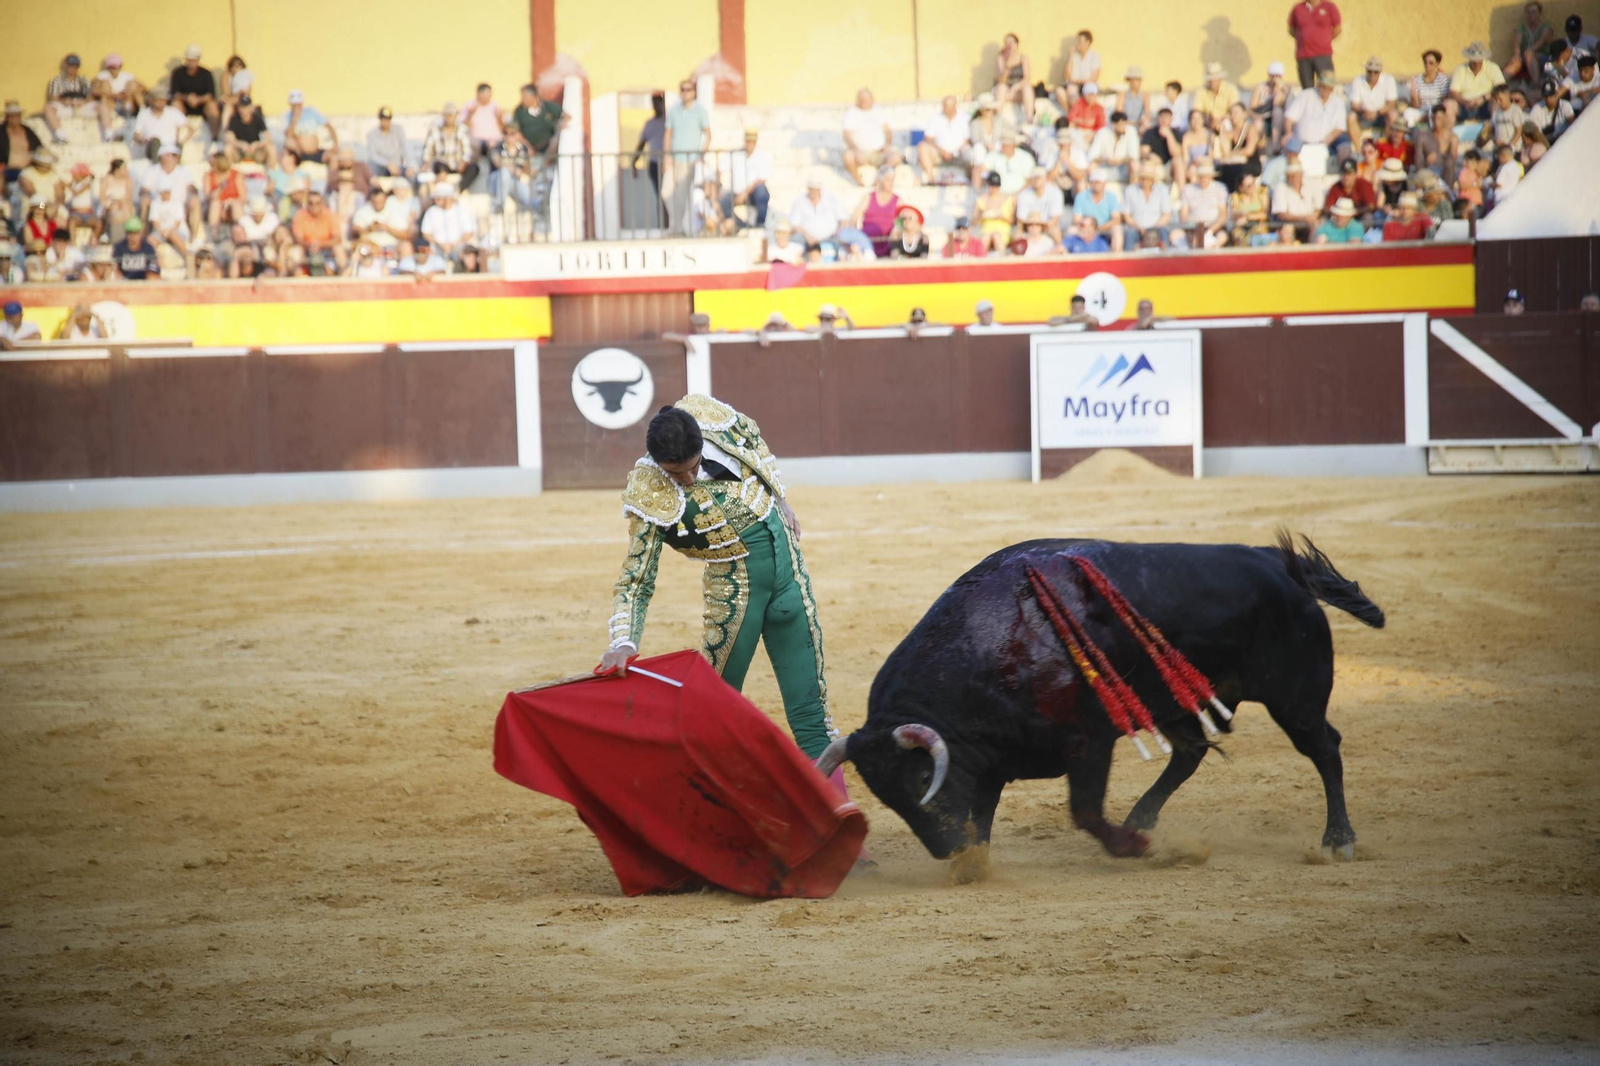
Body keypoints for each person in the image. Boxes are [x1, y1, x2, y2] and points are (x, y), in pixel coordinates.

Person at [599, 398, 861, 849]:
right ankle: (711, 839)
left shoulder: (713, 419)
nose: (684, 480)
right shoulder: (647, 488)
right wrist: (623, 640)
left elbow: (757, 446)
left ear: (704, 445)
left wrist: (780, 500)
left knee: (812, 715)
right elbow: (636, 578)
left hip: (790, 577)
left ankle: (841, 840)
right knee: (712, 721)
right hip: (734, 595)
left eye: (691, 468)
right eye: (673, 473)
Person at [665, 80, 711, 234]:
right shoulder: (673, 111)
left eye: (689, 90)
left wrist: (700, 155)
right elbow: (668, 134)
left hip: (689, 162)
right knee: (666, 193)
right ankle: (678, 227)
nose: (685, 93)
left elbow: (708, 135)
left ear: (694, 92)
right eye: (683, 90)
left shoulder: (700, 111)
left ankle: (676, 229)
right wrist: (667, 157)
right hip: (673, 160)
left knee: (680, 197)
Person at [841, 88, 900, 184]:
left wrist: (887, 144)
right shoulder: (851, 113)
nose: (865, 102)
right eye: (862, 99)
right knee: (847, 156)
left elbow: (888, 131)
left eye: (867, 99)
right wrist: (855, 149)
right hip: (860, 153)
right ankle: (859, 182)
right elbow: (847, 135)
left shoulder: (877, 111)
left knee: (896, 156)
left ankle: (878, 181)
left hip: (879, 152)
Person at [422, 102, 478, 193]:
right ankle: (440, 187)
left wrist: (464, 162)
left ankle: (458, 189)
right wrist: (426, 162)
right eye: (446, 115)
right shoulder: (434, 130)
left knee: (475, 168)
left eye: (451, 115)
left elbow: (467, 151)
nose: (448, 118)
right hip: (442, 164)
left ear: (456, 116)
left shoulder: (462, 130)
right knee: (438, 164)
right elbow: (428, 149)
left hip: (458, 165)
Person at [723, 129, 772, 230]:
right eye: (748, 141)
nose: (749, 144)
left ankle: (760, 223)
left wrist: (745, 193)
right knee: (723, 201)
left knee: (762, 192)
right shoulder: (735, 153)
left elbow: (761, 179)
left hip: (752, 192)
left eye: (752, 142)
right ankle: (738, 225)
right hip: (736, 192)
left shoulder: (762, 155)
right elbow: (720, 168)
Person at [1287, 0, 1341, 89]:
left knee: (1326, 86)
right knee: (1307, 89)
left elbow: (1337, 28)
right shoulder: (1298, 8)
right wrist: (1303, 38)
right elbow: (1291, 29)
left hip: (1323, 55)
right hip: (1303, 56)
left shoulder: (1329, 7)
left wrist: (1325, 39)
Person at [170, 44, 220, 139]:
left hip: (202, 105)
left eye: (193, 60)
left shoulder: (206, 74)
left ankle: (215, 137)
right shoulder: (177, 73)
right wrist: (187, 98)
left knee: (212, 106)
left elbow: (210, 95)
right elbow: (175, 93)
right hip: (184, 105)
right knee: (175, 104)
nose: (191, 63)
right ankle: (175, 137)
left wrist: (198, 100)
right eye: (189, 60)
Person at [918, 96, 973, 183]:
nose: (944, 108)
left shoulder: (965, 118)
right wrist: (942, 151)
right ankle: (930, 179)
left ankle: (970, 181)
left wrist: (955, 152)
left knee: (971, 153)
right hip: (939, 154)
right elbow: (927, 139)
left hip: (959, 153)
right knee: (922, 146)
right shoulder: (935, 118)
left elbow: (968, 141)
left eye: (947, 106)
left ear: (955, 106)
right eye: (944, 106)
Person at [91, 54, 144, 142]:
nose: (113, 70)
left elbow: (142, 88)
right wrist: (111, 95)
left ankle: (143, 112)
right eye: (111, 67)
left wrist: (127, 93)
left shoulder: (127, 76)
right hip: (110, 103)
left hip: (126, 101)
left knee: (133, 85)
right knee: (104, 87)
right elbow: (93, 90)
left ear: (120, 66)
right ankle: (108, 133)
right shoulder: (103, 76)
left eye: (115, 67)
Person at [43, 54, 93, 146]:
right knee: (48, 107)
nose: (73, 69)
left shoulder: (84, 80)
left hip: (81, 106)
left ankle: (108, 136)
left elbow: (90, 97)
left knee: (102, 106)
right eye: (71, 66)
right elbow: (53, 97)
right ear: (65, 65)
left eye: (75, 66)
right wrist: (64, 101)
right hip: (65, 106)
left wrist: (83, 102)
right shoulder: (56, 80)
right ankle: (60, 135)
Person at [1123, 160, 1174, 248]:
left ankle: (1166, 258)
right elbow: (1127, 216)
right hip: (1137, 227)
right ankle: (1129, 260)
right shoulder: (1130, 190)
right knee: (1129, 233)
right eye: (1142, 178)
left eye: (1147, 178)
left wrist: (1153, 229)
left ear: (1153, 180)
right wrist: (1139, 227)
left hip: (1157, 227)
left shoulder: (1162, 190)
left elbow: (1167, 214)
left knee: (1164, 231)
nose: (1144, 181)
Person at [1451, 43, 1505, 122]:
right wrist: (1465, 102)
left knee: (1496, 103)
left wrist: (1484, 98)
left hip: (1486, 104)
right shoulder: (1460, 69)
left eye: (1479, 60)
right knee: (1449, 105)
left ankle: (1493, 130)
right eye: (1474, 61)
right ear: (1469, 58)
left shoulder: (1492, 67)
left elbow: (1502, 88)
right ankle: (1449, 132)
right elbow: (1453, 91)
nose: (1476, 63)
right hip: (1465, 105)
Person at [131, 87, 189, 161]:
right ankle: (156, 164)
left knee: (176, 147)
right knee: (155, 142)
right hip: (153, 147)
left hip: (170, 147)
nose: (162, 103)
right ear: (152, 100)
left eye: (164, 100)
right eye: (159, 100)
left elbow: (190, 129)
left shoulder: (173, 112)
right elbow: (136, 136)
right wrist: (143, 140)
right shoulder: (144, 114)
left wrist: (182, 141)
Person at [510, 83, 566, 158]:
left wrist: (563, 123)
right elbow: (516, 131)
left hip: (548, 145)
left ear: (534, 96)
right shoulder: (519, 111)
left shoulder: (547, 106)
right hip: (529, 149)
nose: (522, 99)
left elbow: (565, 115)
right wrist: (528, 147)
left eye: (525, 97)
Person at [1504, 2, 1554, 83]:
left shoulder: (1546, 26)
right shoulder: (1521, 27)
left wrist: (1527, 52)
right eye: (1528, 12)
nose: (1531, 14)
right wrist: (1517, 55)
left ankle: (1536, 83)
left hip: (1542, 58)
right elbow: (1517, 43)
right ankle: (1499, 84)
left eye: (1534, 12)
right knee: (1516, 62)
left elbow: (1541, 42)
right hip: (1525, 57)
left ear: (1539, 13)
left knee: (1529, 54)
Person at [461, 83, 506, 172]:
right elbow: (462, 127)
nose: (489, 97)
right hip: (476, 141)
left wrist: (499, 118)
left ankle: (495, 171)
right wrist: (471, 114)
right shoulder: (470, 106)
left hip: (493, 141)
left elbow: (504, 129)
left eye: (490, 94)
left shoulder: (495, 106)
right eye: (486, 94)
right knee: (474, 145)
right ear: (478, 94)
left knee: (495, 147)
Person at [282, 90, 336, 162]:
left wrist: (335, 144)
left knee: (334, 158)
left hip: (317, 151)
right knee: (289, 143)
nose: (297, 107)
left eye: (298, 104)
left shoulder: (311, 111)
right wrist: (295, 119)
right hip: (299, 154)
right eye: (294, 105)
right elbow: (288, 136)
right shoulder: (287, 116)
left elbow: (329, 127)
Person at [973, 171, 1015, 253]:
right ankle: (980, 261)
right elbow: (973, 222)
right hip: (986, 229)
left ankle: (1002, 261)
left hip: (1002, 229)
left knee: (996, 236)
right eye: (991, 186)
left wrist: (1002, 217)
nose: (993, 189)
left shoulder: (1008, 199)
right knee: (985, 237)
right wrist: (982, 215)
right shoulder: (981, 199)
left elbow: (1013, 220)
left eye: (995, 186)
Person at [994, 33, 1034, 121]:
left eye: (1011, 42)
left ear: (1016, 44)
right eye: (1007, 42)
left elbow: (1027, 78)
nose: (1009, 45)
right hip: (1004, 91)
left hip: (1017, 90)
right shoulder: (1001, 58)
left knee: (1027, 87)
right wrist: (1007, 66)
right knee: (1002, 87)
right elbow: (1001, 80)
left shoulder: (1023, 58)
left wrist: (1016, 87)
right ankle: (998, 119)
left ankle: (1030, 119)